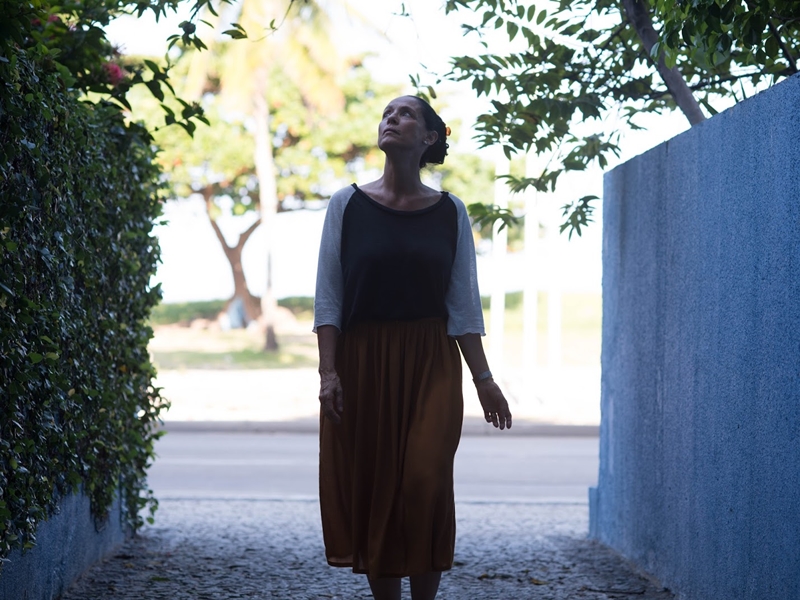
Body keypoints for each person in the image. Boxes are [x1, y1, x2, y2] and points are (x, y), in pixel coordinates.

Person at [314, 95, 513, 600]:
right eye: (387, 113)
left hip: (431, 362)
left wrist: (484, 380)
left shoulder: (450, 211)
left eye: (405, 114)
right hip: (364, 361)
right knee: (378, 486)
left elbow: (463, 304)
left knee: (426, 482)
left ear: (429, 137)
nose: (392, 119)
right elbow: (329, 298)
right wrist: (329, 374)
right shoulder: (346, 205)